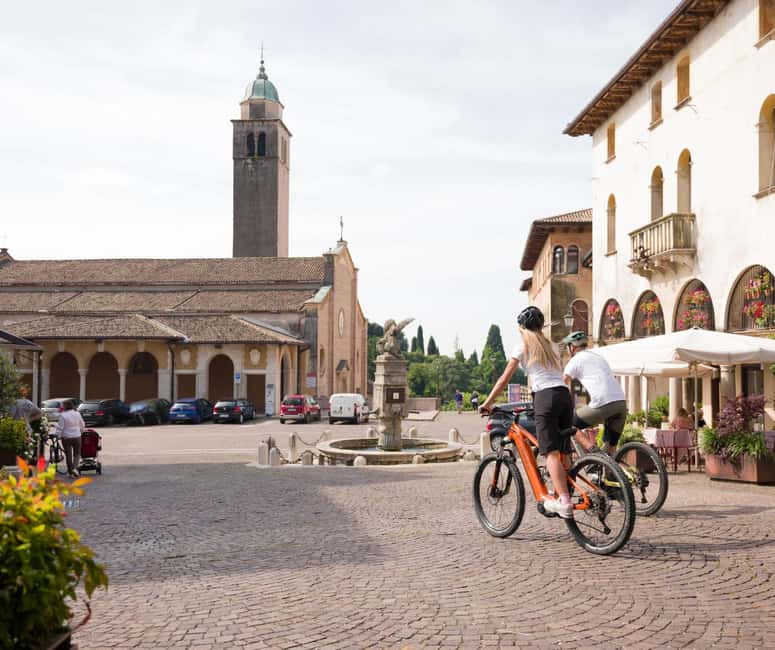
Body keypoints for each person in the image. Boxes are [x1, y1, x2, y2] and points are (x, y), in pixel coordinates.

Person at [480, 306, 574, 519]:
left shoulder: (522, 347)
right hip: (564, 396)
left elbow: (504, 379)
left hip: (545, 397)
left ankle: (565, 502)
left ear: (522, 327)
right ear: (541, 326)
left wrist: (487, 403)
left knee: (550, 453)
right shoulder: (552, 346)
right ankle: (568, 491)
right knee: (564, 451)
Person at [562, 331, 627, 455]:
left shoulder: (575, 360)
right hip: (621, 403)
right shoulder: (599, 357)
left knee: (567, 424)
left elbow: (562, 383)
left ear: (572, 347)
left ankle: (591, 451)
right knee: (610, 447)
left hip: (603, 403)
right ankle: (610, 473)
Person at [54, 400, 85, 477]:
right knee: (77, 453)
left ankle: (70, 472)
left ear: (65, 406)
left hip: (66, 437)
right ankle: (75, 468)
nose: (62, 407)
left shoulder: (63, 415)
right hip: (77, 436)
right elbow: (82, 424)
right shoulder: (77, 414)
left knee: (68, 454)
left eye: (63, 405)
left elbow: (60, 427)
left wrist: (57, 436)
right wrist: (81, 431)